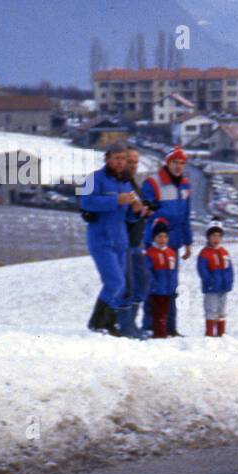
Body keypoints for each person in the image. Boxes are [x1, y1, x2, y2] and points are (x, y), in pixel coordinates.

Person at [79, 142, 138, 336]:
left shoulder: (126, 183)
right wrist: (115, 200)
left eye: (124, 159)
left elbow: (127, 215)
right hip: (100, 238)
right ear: (107, 158)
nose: (121, 163)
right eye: (117, 158)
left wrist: (136, 212)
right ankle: (97, 323)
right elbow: (85, 201)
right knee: (115, 282)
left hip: (120, 239)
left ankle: (109, 323)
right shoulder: (92, 178)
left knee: (120, 285)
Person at [140, 146, 192, 335]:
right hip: (157, 240)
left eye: (182, 163)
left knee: (171, 283)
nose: (178, 167)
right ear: (167, 163)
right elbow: (149, 212)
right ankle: (149, 325)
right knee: (153, 284)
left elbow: (186, 215)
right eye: (175, 163)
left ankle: (170, 326)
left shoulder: (185, 185)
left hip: (175, 242)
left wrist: (188, 241)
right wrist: (163, 221)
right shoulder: (153, 184)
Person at [120, 147, 153, 339]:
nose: (133, 165)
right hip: (124, 241)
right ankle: (126, 326)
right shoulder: (121, 184)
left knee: (141, 282)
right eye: (129, 162)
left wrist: (144, 211)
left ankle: (131, 323)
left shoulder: (133, 183)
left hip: (136, 241)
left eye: (135, 162)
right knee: (128, 285)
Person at [197, 224, 234, 337]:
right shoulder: (204, 253)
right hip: (211, 288)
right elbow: (202, 270)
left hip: (223, 287)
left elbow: (229, 269)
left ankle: (221, 333)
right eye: (213, 236)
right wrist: (210, 281)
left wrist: (229, 281)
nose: (216, 239)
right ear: (208, 237)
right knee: (211, 309)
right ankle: (209, 333)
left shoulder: (224, 252)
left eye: (218, 236)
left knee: (221, 310)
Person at [144, 220, 179, 339]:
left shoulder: (171, 253)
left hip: (169, 289)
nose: (162, 239)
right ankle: (153, 331)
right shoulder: (151, 253)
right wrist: (153, 285)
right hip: (155, 290)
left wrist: (174, 284)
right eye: (160, 236)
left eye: (165, 236)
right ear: (154, 238)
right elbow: (148, 272)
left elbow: (173, 271)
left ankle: (170, 330)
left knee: (170, 311)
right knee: (155, 312)